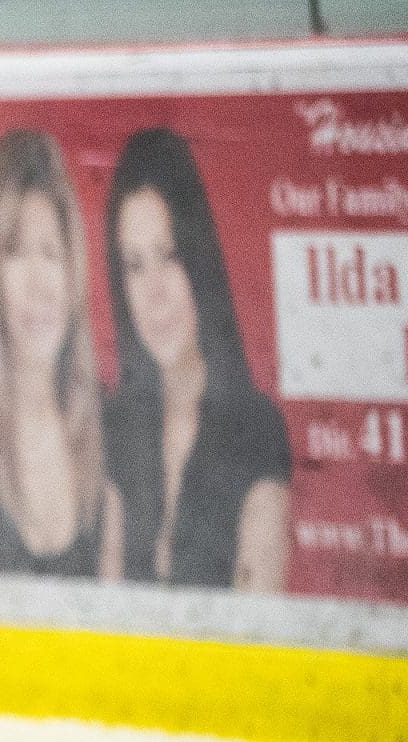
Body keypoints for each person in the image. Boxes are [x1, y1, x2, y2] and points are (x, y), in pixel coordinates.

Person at [104, 126, 290, 591]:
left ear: (199, 260)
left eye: (169, 256)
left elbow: (260, 635)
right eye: (135, 266)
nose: (153, 293)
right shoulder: (117, 427)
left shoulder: (257, 430)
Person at [0, 128, 119, 580]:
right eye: (15, 253)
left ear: (73, 269)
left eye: (51, 254)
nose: (38, 283)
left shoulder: (112, 422)